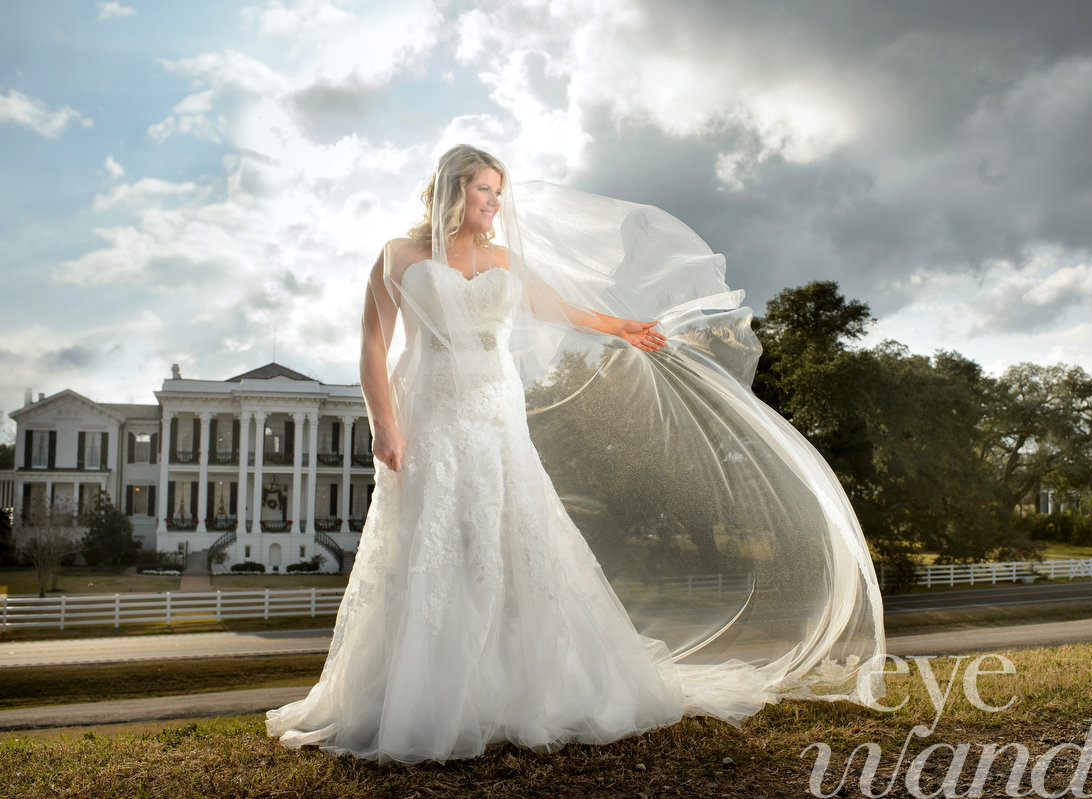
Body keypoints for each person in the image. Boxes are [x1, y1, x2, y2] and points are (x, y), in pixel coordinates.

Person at [265, 144, 886, 764]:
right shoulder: (399, 255)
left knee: (512, 533)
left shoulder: (504, 259)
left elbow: (560, 310)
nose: (495, 203)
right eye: (485, 190)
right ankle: (421, 694)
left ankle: (519, 687)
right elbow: (374, 345)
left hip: (494, 408)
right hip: (429, 408)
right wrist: (385, 425)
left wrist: (625, 329)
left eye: (499, 192)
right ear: (454, 190)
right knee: (431, 538)